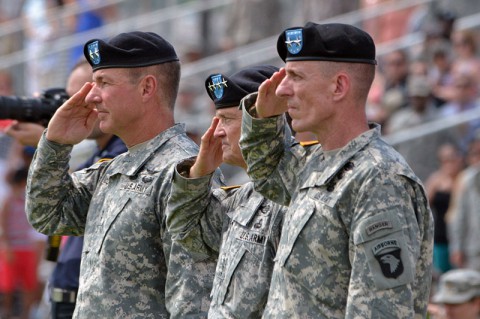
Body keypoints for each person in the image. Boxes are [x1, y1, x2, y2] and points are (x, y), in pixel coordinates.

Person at [238, 22, 434, 317]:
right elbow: (269, 177)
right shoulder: (320, 161)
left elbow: (378, 310)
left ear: (339, 86)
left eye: (296, 76)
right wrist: (263, 120)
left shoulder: (379, 179)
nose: (281, 89)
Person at [25, 31, 221, 318]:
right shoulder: (117, 167)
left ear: (146, 88)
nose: (91, 96)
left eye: (103, 83)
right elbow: (48, 214)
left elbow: (194, 301)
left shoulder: (185, 172)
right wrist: (56, 144)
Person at [7, 58, 128, 319]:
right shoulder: (95, 155)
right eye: (69, 99)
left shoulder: (123, 154)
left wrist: (49, 144)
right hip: (68, 292)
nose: (74, 107)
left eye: (84, 97)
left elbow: (86, 196)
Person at [167, 65, 285, 318]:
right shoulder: (246, 196)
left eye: (228, 119)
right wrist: (198, 174)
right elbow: (187, 235)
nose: (217, 131)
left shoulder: (291, 195)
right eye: (216, 119)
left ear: (264, 122)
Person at [0, 166, 39, 319]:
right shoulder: (8, 200)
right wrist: (6, 247)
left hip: (27, 247)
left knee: (29, 283)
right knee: (8, 284)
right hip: (12, 248)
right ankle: (7, 312)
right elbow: (2, 226)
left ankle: (25, 315)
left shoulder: (28, 201)